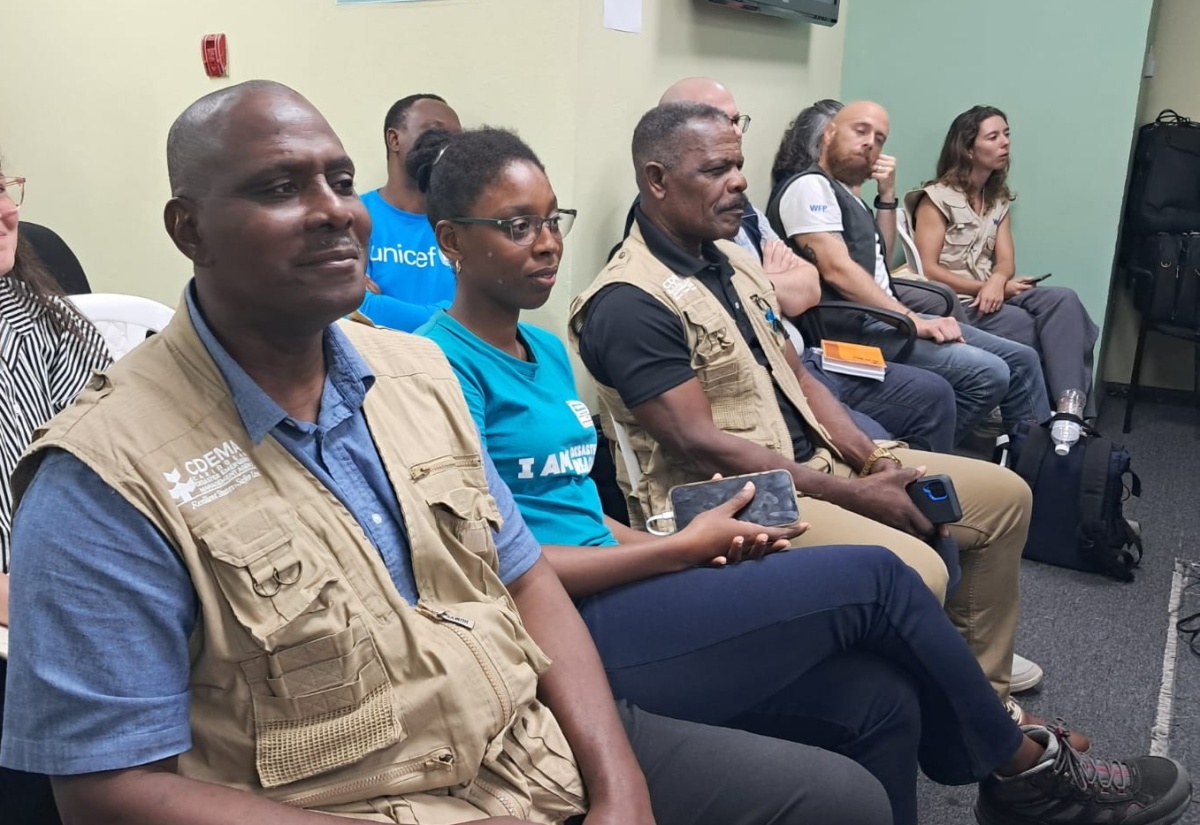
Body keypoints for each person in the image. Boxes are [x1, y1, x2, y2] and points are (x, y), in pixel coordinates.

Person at [0, 80, 905, 825]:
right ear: (188, 228)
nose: (334, 211)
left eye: (339, 179)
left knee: (843, 793)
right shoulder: (103, 475)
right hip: (357, 799)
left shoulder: (416, 374)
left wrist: (620, 785)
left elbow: (527, 579)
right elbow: (107, 790)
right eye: (280, 187)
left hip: (523, 744)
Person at [411, 124, 1189, 825]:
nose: (547, 242)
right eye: (517, 226)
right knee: (881, 578)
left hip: (630, 577)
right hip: (563, 636)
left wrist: (697, 546)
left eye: (554, 219)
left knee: (883, 701)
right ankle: (1022, 768)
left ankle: (997, 754)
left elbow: (579, 515)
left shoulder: (544, 349)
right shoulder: (437, 367)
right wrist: (678, 548)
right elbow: (496, 565)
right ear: (451, 240)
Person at [654, 78, 956, 453]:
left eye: (736, 120)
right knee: (880, 442)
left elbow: (808, 285)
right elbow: (732, 301)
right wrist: (769, 280)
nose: (735, 132)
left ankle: (936, 482)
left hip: (805, 357)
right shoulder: (676, 227)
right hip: (776, 370)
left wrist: (764, 282)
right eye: (720, 120)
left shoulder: (745, 207)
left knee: (935, 394)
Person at [768, 100, 1052, 444]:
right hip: (852, 330)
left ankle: (1035, 461)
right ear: (828, 134)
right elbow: (837, 269)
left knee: (1022, 359)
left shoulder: (845, 193)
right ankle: (921, 451)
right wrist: (913, 320)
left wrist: (886, 195)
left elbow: (880, 261)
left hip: (884, 317)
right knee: (990, 373)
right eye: (860, 131)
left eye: (879, 139)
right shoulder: (809, 187)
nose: (870, 143)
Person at [0, 170, 110, 824]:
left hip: (56, 600)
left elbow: (106, 473)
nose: (6, 211)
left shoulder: (45, 318)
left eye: (2, 187)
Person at [908, 105, 1100, 416]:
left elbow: (1006, 260)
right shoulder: (935, 199)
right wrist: (988, 288)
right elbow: (928, 270)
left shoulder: (997, 199)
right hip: (960, 304)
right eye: (993, 137)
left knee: (1065, 300)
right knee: (1046, 330)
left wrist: (998, 281)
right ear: (968, 149)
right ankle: (1059, 418)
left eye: (1006, 134)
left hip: (993, 294)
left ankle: (1069, 410)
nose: (1005, 143)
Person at [357, 93, 462, 331]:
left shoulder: (463, 227)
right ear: (394, 139)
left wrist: (379, 305)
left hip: (449, 356)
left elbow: (475, 318)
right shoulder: (354, 217)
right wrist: (446, 314)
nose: (448, 144)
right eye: (434, 130)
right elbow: (353, 309)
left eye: (457, 137)